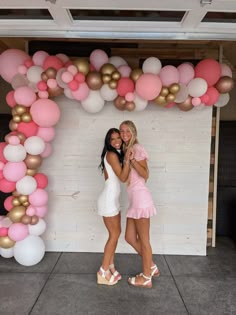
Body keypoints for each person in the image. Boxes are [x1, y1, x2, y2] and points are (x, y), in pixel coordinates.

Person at [119, 120, 159, 288]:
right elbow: (124, 177)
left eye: (127, 131)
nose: (124, 134)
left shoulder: (137, 149)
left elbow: (145, 174)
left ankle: (146, 277)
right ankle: (151, 266)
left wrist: (133, 160)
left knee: (144, 240)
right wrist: (127, 160)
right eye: (122, 131)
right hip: (134, 199)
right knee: (129, 237)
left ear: (133, 131)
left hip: (141, 199)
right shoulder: (127, 150)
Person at [97, 128, 132, 286]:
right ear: (108, 142)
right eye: (113, 139)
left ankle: (111, 266)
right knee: (114, 235)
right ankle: (103, 271)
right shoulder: (111, 155)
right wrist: (128, 160)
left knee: (115, 234)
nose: (117, 141)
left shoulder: (114, 154)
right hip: (108, 200)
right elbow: (123, 177)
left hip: (113, 199)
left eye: (119, 138)